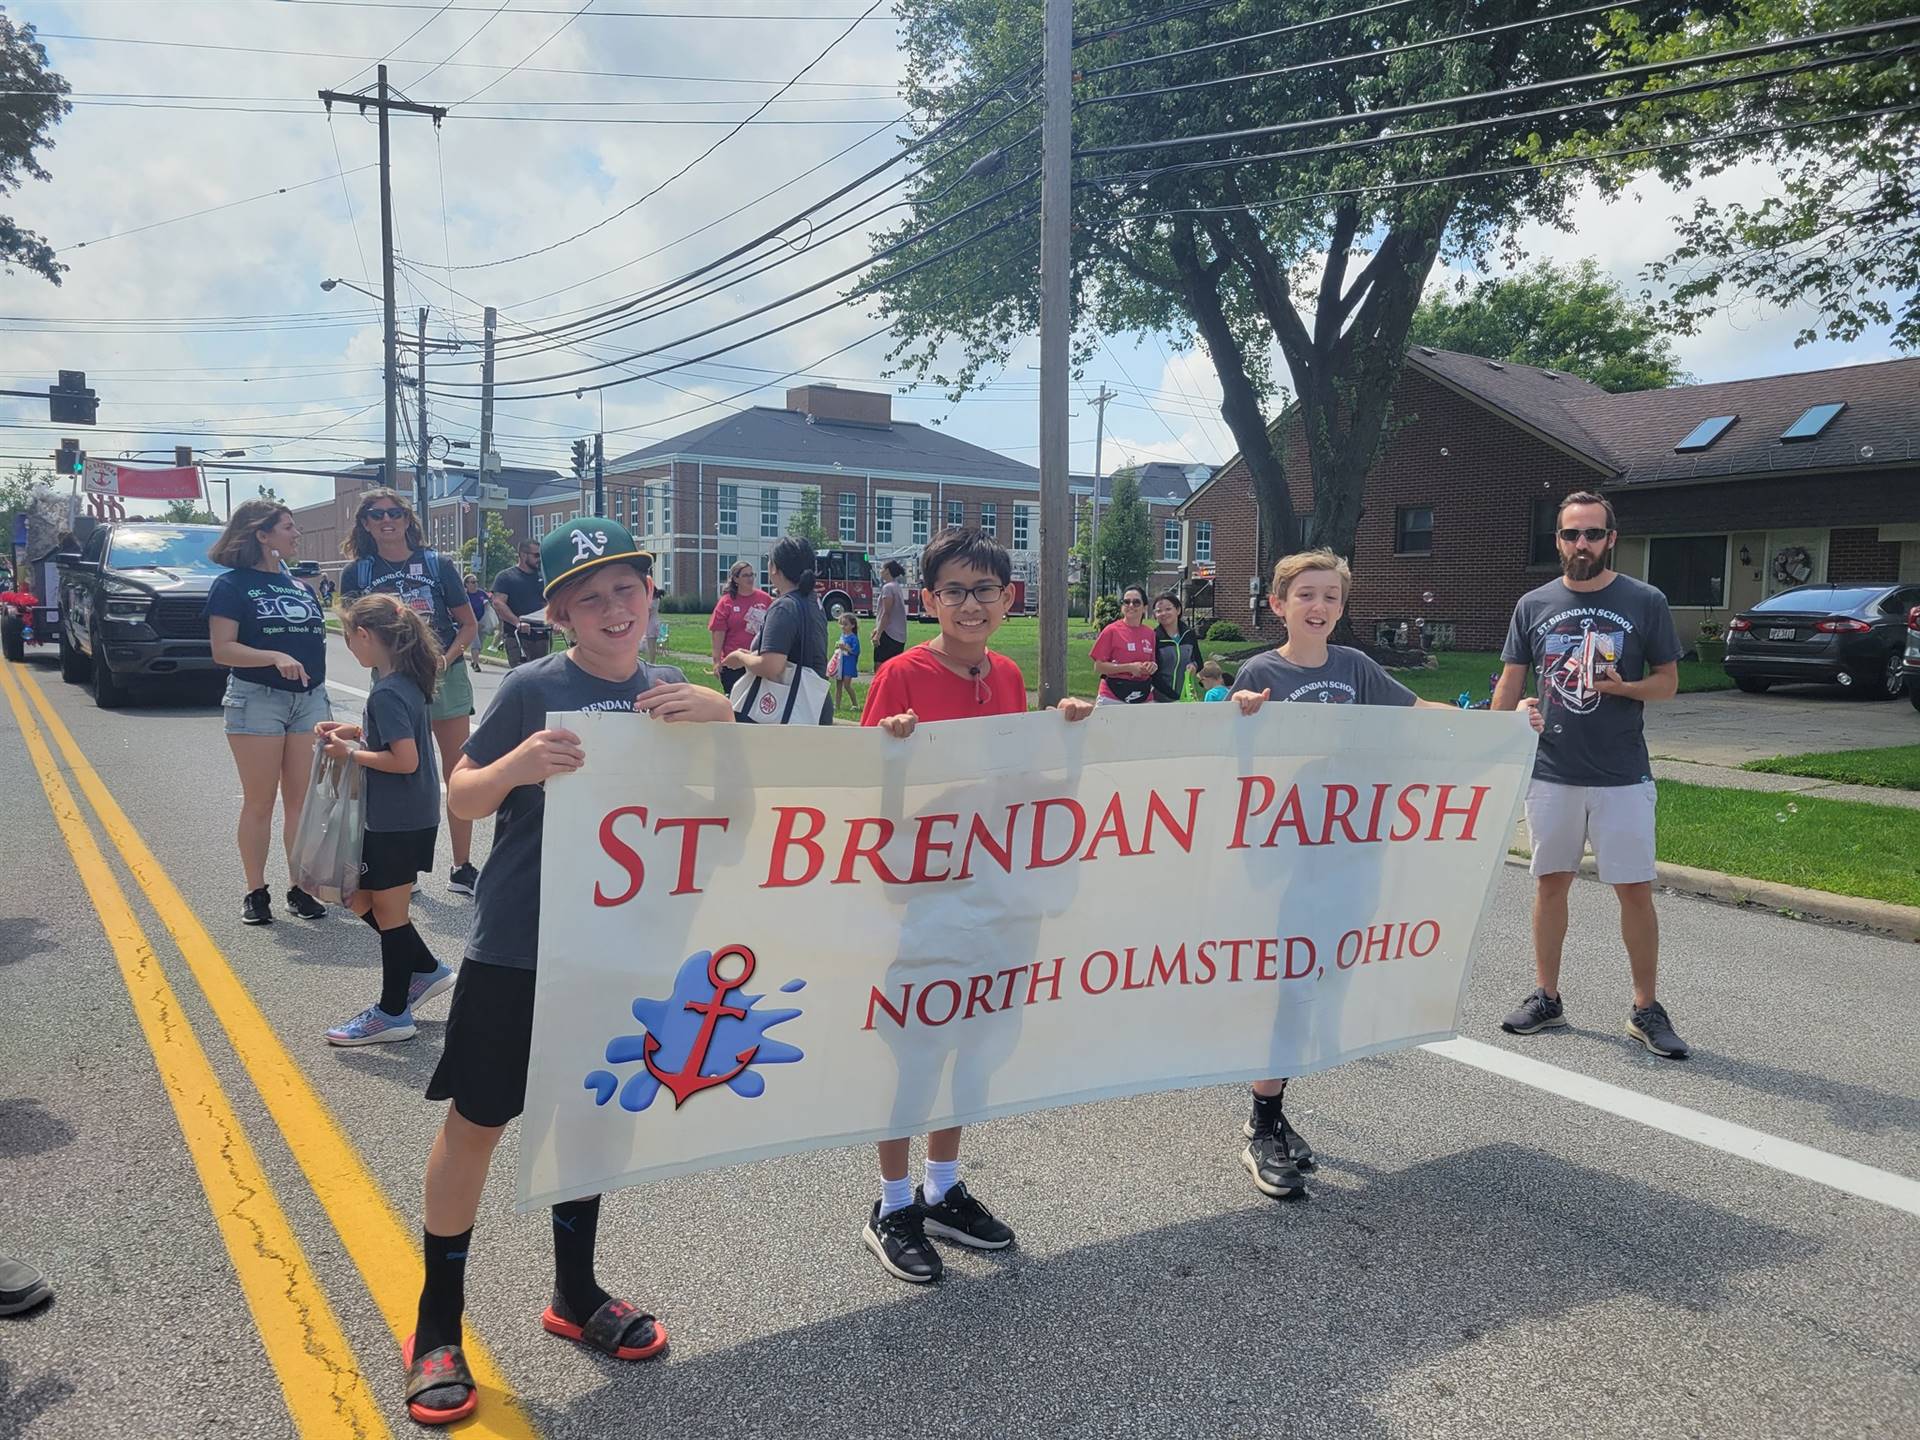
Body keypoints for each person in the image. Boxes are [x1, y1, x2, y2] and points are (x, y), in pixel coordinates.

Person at [401, 517, 734, 1427]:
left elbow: (736, 807)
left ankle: (575, 1294)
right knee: (479, 1123)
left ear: (650, 592)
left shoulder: (676, 690)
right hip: (519, 945)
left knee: (594, 1117)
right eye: (589, 597)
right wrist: (513, 763)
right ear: (558, 614)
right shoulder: (535, 687)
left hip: (623, 945)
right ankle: (438, 1323)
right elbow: (461, 795)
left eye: (625, 588)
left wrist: (728, 716)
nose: (613, 608)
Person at [1231, 550, 1543, 1199]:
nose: (1318, 607)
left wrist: (1499, 723)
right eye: (1306, 595)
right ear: (1279, 604)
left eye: (1331, 598)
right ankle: (1262, 1125)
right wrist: (1242, 716)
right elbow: (1235, 753)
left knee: (1322, 978)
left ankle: (1276, 1109)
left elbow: (1418, 711)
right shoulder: (1260, 671)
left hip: (1352, 853)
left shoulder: (1355, 668)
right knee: (1290, 983)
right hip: (1289, 858)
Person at [859, 528, 1094, 1283]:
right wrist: (892, 752)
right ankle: (892, 1203)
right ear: (927, 601)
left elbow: (1019, 788)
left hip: (995, 894)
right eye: (953, 590)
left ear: (1008, 599)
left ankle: (942, 1187)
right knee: (917, 1050)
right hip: (926, 895)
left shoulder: (1010, 679)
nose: (969, 603)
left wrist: (1074, 744)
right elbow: (863, 794)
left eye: (984, 590)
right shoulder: (899, 674)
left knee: (977, 1042)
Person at [1492, 490, 1688, 1059]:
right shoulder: (1533, 604)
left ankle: (1646, 1009)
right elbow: (1510, 683)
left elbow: (1669, 682)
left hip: (1622, 773)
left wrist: (1625, 687)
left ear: (1611, 539)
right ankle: (1547, 998)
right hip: (1551, 771)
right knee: (1551, 882)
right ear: (1557, 540)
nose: (1583, 544)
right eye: (1572, 534)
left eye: (1593, 534)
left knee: (1633, 890)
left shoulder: (1644, 600)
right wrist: (1500, 728)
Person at [314, 595, 455, 1046]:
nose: (349, 647)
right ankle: (426, 970)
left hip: (397, 820)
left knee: (389, 914)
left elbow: (405, 760)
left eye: (350, 637)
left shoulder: (390, 689)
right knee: (361, 899)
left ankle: (393, 1013)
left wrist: (350, 754)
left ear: (366, 636)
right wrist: (352, 733)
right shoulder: (399, 682)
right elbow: (396, 736)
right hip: (402, 817)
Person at [339, 488, 482, 896]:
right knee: (396, 770)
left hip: (444, 678)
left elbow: (468, 624)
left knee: (458, 772)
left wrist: (445, 657)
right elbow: (354, 632)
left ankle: (461, 866)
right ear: (365, 524)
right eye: (377, 515)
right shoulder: (358, 573)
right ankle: (403, 869)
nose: (387, 520)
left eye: (395, 513)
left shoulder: (437, 564)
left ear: (407, 520)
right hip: (392, 685)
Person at [205, 500, 332, 926]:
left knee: (301, 803)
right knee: (260, 801)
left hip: (308, 698)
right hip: (257, 697)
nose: (296, 535)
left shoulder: (299, 586)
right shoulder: (232, 585)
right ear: (262, 534)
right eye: (288, 528)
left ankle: (300, 888)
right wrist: (273, 655)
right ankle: (256, 891)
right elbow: (223, 649)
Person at [723, 535, 833, 725]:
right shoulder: (813, 601)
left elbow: (771, 666)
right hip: (815, 703)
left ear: (774, 568)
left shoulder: (784, 607)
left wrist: (740, 658)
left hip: (789, 709)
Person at [708, 559, 772, 696]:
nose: (750, 578)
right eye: (745, 575)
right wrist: (717, 661)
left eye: (752, 575)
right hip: (734, 662)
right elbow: (718, 633)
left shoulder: (764, 599)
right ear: (735, 579)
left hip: (758, 660)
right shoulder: (727, 602)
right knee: (736, 701)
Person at [1089, 584, 1158, 704]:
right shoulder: (1111, 630)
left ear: (1144, 608)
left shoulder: (1150, 633)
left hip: (1142, 694)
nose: (1131, 606)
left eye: (1136, 602)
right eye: (1126, 602)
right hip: (1112, 695)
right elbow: (1099, 666)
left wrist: (1151, 666)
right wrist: (1129, 668)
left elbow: (1152, 662)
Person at [490, 540, 551, 670]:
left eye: (540, 555)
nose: (539, 559)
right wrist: (517, 622)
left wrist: (554, 620)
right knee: (522, 675)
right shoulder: (506, 577)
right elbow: (498, 603)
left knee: (540, 676)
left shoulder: (543, 577)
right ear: (523, 555)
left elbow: (549, 602)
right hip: (517, 635)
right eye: (536, 555)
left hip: (541, 635)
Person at [1150, 590, 1205, 703]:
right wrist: (1173, 696)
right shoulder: (1153, 637)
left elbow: (1199, 662)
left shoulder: (1189, 634)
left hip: (1186, 697)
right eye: (1159, 611)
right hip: (1160, 699)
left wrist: (1194, 666)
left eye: (1168, 609)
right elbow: (1153, 674)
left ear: (1178, 610)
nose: (1163, 613)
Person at [872, 558, 909, 671]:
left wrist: (878, 634)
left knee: (880, 668)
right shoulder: (896, 586)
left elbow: (886, 613)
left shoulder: (888, 588)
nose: (880, 571)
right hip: (899, 636)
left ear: (887, 571)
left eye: (882, 568)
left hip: (889, 634)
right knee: (893, 669)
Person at [831, 612, 861, 712]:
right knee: (838, 684)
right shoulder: (842, 636)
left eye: (845, 624)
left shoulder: (853, 638)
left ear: (852, 625)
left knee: (847, 685)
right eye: (841, 624)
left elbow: (856, 651)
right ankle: (837, 705)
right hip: (841, 663)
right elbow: (840, 646)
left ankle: (855, 704)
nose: (843, 626)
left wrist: (847, 648)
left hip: (849, 664)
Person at [463, 573, 491, 672]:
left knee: (481, 644)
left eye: (476, 582)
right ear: (466, 584)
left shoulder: (481, 593)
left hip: (481, 622)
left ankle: (473, 660)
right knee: (476, 644)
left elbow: (487, 606)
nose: (475, 584)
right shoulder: (464, 596)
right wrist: (473, 622)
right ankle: (476, 664)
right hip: (470, 623)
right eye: (472, 582)